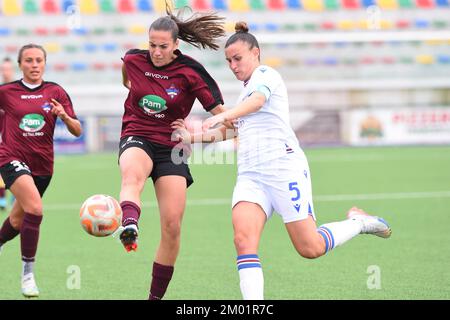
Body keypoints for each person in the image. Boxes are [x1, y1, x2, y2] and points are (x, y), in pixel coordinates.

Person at [198, 22, 392, 300]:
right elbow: (232, 129)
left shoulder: (266, 76)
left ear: (256, 53)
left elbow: (258, 102)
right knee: (243, 240)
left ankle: (360, 222)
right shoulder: (244, 91)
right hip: (251, 176)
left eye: (237, 58)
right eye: (228, 61)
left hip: (282, 169)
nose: (233, 65)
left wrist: (222, 114)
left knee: (309, 247)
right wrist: (189, 136)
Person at [116, 5, 228, 300]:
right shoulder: (132, 58)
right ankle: (129, 223)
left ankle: (155, 298)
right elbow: (128, 78)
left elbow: (230, 124)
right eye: (152, 45)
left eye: (163, 46)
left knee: (172, 226)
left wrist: (195, 135)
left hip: (172, 149)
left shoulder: (191, 72)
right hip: (137, 134)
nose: (156, 51)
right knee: (132, 177)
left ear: (176, 45)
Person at [0, 44, 82, 298]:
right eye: (29, 61)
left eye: (38, 60)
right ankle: (28, 275)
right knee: (35, 209)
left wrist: (65, 117)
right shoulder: (6, 91)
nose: (34, 65)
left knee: (17, 220)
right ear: (20, 64)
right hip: (11, 158)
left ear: (45, 63)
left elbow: (77, 130)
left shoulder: (55, 91)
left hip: (43, 166)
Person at [0, 57, 15, 211]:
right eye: (3, 69)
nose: (6, 72)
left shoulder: (18, 90)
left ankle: (15, 197)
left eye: (8, 69)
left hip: (16, 135)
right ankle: (2, 198)